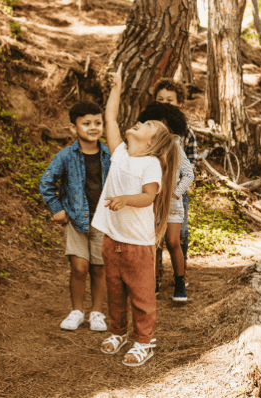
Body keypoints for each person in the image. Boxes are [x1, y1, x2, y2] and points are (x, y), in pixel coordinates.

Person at [94, 65, 179, 367]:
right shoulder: (119, 153)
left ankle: (145, 341)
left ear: (151, 143)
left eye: (145, 126)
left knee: (141, 297)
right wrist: (116, 88)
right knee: (115, 292)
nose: (139, 123)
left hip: (138, 245)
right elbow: (110, 118)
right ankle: (118, 331)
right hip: (112, 239)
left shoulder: (151, 165)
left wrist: (125, 199)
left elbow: (148, 197)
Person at [39, 101, 111, 332]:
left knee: (99, 268)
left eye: (98, 123)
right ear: (73, 127)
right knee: (79, 267)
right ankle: (77, 311)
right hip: (76, 219)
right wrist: (56, 208)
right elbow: (46, 181)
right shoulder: (66, 156)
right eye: (86, 123)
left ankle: (97, 313)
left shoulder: (109, 154)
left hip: (103, 220)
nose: (93, 127)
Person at [137, 102, 194, 301]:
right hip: (151, 203)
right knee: (152, 244)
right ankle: (152, 283)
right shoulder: (145, 147)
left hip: (172, 205)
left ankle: (180, 282)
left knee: (172, 242)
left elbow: (188, 174)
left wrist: (176, 193)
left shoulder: (175, 147)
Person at [152, 78, 199, 292]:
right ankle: (154, 274)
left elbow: (192, 162)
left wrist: (179, 190)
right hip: (153, 191)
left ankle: (181, 275)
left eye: (169, 100)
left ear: (179, 103)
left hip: (177, 193)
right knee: (153, 235)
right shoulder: (149, 128)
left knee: (178, 235)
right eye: (160, 99)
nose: (164, 103)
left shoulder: (185, 132)